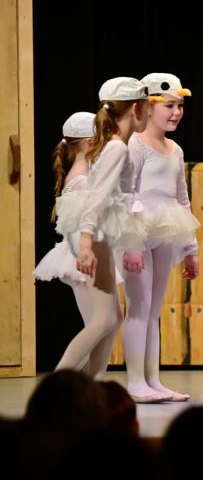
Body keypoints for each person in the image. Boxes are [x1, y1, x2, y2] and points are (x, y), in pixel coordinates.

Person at [55, 77, 148, 380]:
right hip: (94, 236)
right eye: (147, 107)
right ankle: (60, 385)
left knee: (111, 319)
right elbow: (96, 197)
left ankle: (88, 387)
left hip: (99, 235)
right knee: (104, 319)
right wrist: (85, 243)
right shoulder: (116, 149)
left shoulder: (117, 146)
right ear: (135, 109)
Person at [121, 73, 199, 403]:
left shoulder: (174, 149)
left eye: (180, 106)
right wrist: (131, 242)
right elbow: (126, 193)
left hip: (167, 228)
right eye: (169, 106)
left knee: (154, 309)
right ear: (148, 107)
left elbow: (182, 197)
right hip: (138, 230)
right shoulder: (135, 145)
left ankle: (153, 379)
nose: (176, 112)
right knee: (138, 307)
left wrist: (191, 248)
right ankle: (135, 381)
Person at [35, 112, 102, 375]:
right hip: (80, 257)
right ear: (89, 142)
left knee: (100, 327)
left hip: (80, 255)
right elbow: (80, 227)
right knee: (99, 325)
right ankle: (62, 382)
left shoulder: (82, 175)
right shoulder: (81, 180)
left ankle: (87, 385)